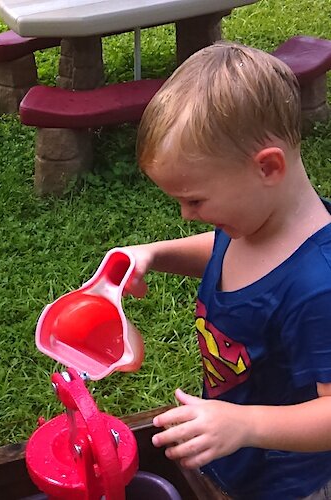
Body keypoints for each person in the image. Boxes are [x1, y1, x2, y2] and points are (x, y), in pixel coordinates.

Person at [120, 42, 331, 499]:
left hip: (290, 483)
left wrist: (245, 423)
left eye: (194, 200)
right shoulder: (253, 224)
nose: (186, 215)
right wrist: (156, 254)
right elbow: (221, 251)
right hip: (239, 450)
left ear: (267, 167)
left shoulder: (320, 288)